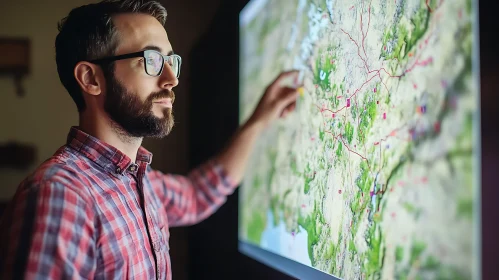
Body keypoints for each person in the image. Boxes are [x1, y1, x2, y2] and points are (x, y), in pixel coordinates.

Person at [0, 0, 302, 279]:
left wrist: (260, 119)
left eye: (170, 60)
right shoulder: (60, 195)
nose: (172, 78)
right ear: (91, 79)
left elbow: (199, 194)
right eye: (152, 60)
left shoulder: (141, 181)